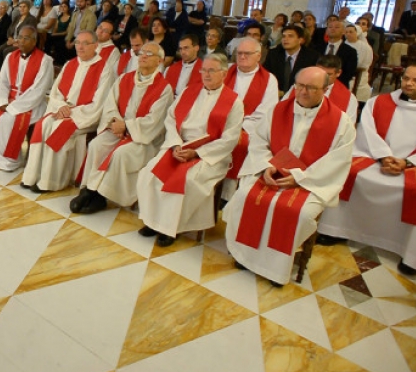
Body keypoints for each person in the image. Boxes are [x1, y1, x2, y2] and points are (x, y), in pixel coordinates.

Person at [224, 67, 356, 286]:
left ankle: (275, 268)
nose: (303, 92)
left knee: (298, 212)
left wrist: (299, 178)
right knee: (244, 196)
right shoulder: (277, 110)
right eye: (300, 86)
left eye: (311, 88)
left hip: (310, 183)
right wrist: (266, 165)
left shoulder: (341, 123)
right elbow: (259, 141)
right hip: (272, 173)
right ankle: (246, 256)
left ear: (325, 89)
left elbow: (337, 161)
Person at [316, 64, 416, 275]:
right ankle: (335, 229)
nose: (408, 83)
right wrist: (384, 156)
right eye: (406, 78)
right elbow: (367, 131)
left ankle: (411, 255)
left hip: (411, 165)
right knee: (349, 174)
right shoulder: (379, 102)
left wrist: (406, 162)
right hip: (376, 156)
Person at [136, 53, 244, 247]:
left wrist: (197, 153)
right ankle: (153, 221)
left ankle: (171, 228)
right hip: (179, 146)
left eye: (212, 71)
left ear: (224, 73)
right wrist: (176, 143)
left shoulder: (234, 102)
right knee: (150, 173)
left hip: (209, 155)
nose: (206, 74)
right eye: (204, 70)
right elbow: (171, 119)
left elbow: (230, 139)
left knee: (187, 180)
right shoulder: (189, 91)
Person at [69, 42, 173, 214]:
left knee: (120, 154)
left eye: (149, 54)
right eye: (142, 52)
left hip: (143, 138)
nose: (143, 56)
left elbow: (154, 121)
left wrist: (126, 126)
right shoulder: (125, 78)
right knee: (96, 145)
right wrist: (116, 123)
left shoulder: (164, 88)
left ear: (160, 61)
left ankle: (100, 196)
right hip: (118, 130)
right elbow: (110, 104)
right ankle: (88, 189)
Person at [21, 31, 115, 193]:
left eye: (85, 43)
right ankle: (33, 176)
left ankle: (51, 181)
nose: (80, 47)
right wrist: (61, 107)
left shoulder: (105, 70)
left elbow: (100, 103)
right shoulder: (70, 64)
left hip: (85, 116)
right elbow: (55, 92)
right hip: (62, 110)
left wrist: (70, 112)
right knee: (43, 125)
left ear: (95, 45)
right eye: (77, 42)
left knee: (58, 129)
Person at [0, 25, 54, 171]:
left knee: (9, 120)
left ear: (34, 41)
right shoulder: (10, 57)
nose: (21, 41)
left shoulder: (45, 61)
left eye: (26, 38)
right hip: (9, 100)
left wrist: (13, 107)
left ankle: (10, 159)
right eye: (19, 37)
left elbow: (38, 90)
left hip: (32, 104)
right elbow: (2, 82)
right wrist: (2, 102)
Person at [223, 37, 279, 185]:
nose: (242, 57)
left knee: (241, 144)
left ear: (258, 56)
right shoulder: (225, 71)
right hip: (221, 123)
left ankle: (230, 190)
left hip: (250, 128)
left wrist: (238, 126)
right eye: (239, 53)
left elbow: (265, 112)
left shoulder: (269, 80)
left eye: (247, 53)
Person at [263, 25, 319, 95]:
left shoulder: (312, 56)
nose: (285, 39)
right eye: (284, 36)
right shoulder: (273, 54)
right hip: (275, 93)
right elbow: (265, 74)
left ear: (300, 40)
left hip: (301, 94)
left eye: (290, 36)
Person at [0, 0, 38, 69]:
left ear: (28, 8)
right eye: (20, 7)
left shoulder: (31, 19)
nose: (22, 9)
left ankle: (9, 71)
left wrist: (17, 41)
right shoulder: (17, 17)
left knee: (6, 51)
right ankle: (0, 71)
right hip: (12, 40)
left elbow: (28, 35)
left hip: (23, 43)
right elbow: (9, 30)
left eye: (24, 7)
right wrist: (10, 38)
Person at [320, 18, 358, 86]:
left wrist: (331, 82)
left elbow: (349, 73)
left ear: (343, 31)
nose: (333, 29)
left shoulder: (350, 51)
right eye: (330, 27)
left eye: (337, 27)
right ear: (326, 31)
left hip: (339, 84)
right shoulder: (318, 47)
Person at [345, 23, 373, 106]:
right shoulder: (344, 44)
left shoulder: (365, 47)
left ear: (357, 33)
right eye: (346, 32)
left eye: (351, 32)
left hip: (359, 74)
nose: (348, 34)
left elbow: (362, 63)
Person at [48, 1, 73, 65]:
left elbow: (66, 32)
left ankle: (60, 61)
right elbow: (55, 27)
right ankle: (49, 58)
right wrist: (53, 33)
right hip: (57, 34)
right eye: (62, 6)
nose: (63, 8)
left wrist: (55, 34)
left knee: (60, 43)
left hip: (64, 35)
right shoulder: (59, 17)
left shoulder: (70, 18)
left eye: (65, 7)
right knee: (48, 38)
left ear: (68, 8)